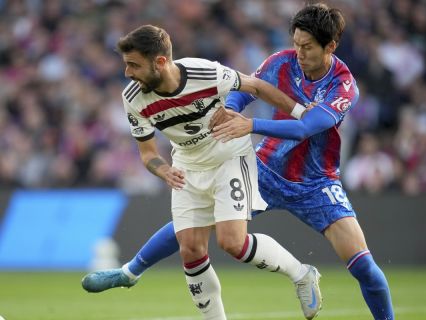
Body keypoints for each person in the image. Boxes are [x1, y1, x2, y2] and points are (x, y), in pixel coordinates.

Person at [83, 4, 394, 319]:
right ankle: (131, 271)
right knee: (193, 228)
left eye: (307, 47)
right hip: (265, 168)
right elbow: (241, 93)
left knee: (365, 268)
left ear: (331, 46)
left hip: (317, 182)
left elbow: (306, 127)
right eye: (296, 43)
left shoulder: (343, 85)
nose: (298, 52)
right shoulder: (280, 62)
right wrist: (227, 111)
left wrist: (251, 125)